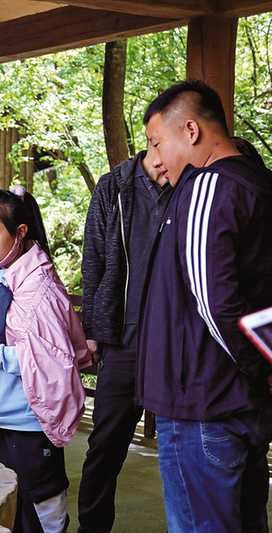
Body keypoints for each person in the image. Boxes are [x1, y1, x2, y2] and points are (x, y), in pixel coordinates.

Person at [140, 80, 272, 533]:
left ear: (191, 130)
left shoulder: (211, 184)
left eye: (157, 142)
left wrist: (259, 366)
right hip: (242, 402)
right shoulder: (258, 181)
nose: (155, 159)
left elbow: (215, 301)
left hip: (202, 402)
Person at [0, 187, 91, 533]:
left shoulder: (39, 287)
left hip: (27, 421)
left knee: (42, 506)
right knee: (1, 505)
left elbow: (51, 360)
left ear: (20, 232)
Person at [76, 142, 172, 533]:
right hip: (123, 335)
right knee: (104, 445)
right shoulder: (114, 186)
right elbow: (94, 257)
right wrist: (93, 329)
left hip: (173, 339)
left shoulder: (190, 182)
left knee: (180, 446)